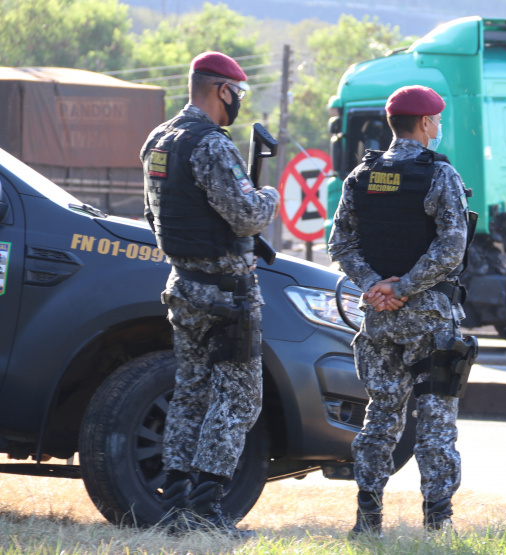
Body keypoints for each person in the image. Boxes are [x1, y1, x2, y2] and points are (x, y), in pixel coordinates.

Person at [139, 51, 279, 537]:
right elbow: (247, 216)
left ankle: (176, 506)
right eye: (236, 94)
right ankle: (205, 509)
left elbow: (154, 217)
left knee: (191, 394)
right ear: (223, 90)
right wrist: (269, 197)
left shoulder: (158, 140)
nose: (237, 103)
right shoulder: (212, 144)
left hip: (183, 287)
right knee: (238, 399)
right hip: (227, 297)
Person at [328, 85, 474, 536]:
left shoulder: (361, 175)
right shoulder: (439, 174)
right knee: (435, 424)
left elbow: (340, 245)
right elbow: (451, 248)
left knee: (379, 418)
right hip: (430, 319)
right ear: (426, 123)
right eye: (438, 120)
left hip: (380, 321)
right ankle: (438, 523)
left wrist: (375, 287)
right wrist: (405, 287)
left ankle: (367, 519)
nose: (439, 126)